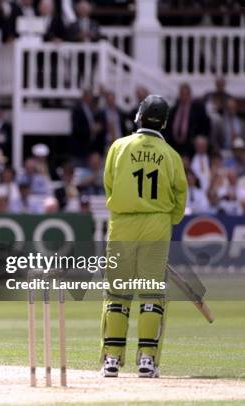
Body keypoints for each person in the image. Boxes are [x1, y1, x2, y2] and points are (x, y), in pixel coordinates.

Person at [101, 94, 187, 378]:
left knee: (117, 293)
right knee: (151, 294)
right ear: (163, 122)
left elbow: (109, 185)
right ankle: (147, 360)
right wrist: (165, 222)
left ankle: (111, 360)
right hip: (156, 227)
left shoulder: (119, 146)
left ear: (138, 116)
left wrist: (125, 211)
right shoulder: (171, 156)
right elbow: (180, 197)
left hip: (122, 225)